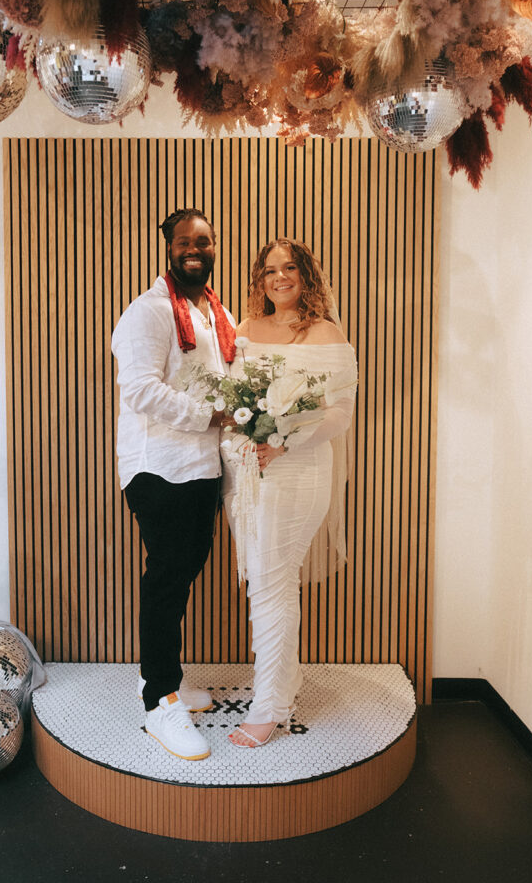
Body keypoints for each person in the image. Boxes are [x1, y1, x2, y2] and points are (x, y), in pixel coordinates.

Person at [221, 239, 357, 748]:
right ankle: (284, 688)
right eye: (270, 270)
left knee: (273, 582)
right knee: (266, 581)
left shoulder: (325, 333)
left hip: (299, 473)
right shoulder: (244, 331)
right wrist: (243, 442)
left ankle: (267, 708)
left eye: (290, 269)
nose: (280, 278)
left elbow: (339, 413)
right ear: (260, 278)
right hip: (249, 476)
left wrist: (283, 440)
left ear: (306, 277)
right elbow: (231, 402)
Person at [111, 208, 236, 761]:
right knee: (166, 581)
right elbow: (139, 389)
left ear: (214, 248)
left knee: (184, 574)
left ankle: (168, 678)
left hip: (203, 468)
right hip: (159, 468)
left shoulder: (214, 312)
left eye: (203, 241)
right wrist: (211, 415)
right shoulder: (149, 311)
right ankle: (159, 701)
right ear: (167, 248)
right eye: (184, 241)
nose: (195, 248)